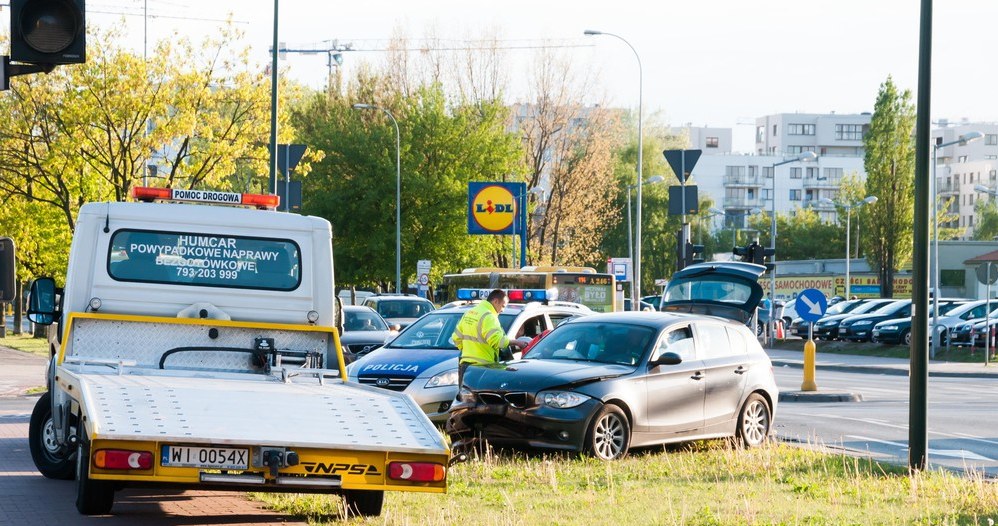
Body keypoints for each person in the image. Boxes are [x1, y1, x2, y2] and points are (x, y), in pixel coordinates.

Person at [452, 289, 525, 388]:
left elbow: (456, 338)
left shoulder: (469, 313)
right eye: (503, 306)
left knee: (465, 400)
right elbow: (498, 341)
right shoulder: (489, 316)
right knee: (483, 401)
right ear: (495, 301)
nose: (503, 310)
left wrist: (469, 351)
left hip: (465, 367)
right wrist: (517, 342)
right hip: (483, 367)